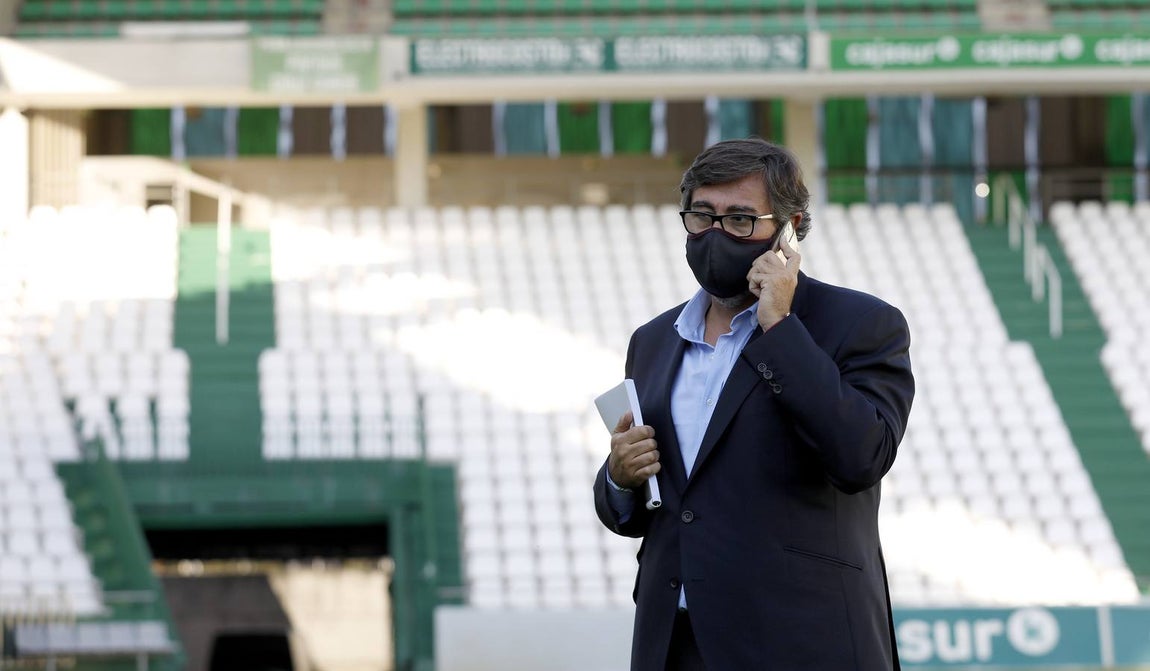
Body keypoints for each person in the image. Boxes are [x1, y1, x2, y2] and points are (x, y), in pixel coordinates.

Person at [593, 138, 914, 671]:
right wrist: (619, 478)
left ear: (791, 228)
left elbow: (861, 456)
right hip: (674, 642)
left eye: (742, 220)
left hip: (801, 642)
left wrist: (780, 327)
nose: (717, 234)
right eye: (703, 216)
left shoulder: (860, 324)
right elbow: (657, 509)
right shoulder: (652, 341)